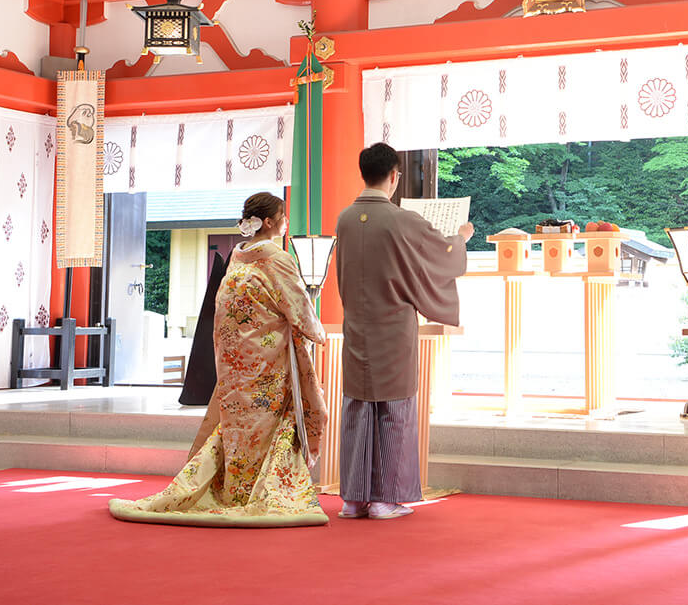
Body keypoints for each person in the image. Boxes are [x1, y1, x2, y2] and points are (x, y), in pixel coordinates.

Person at [109, 193, 329, 527]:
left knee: (239, 425)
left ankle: (233, 490)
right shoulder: (275, 257)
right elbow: (296, 304)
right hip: (267, 360)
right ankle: (261, 490)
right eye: (283, 217)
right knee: (267, 425)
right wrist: (318, 333)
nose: (285, 223)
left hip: (235, 358)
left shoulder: (237, 254)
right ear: (269, 222)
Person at [334, 142, 475, 519]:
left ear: (364, 173)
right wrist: (461, 237)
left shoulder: (345, 219)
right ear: (394, 176)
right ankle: (385, 498)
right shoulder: (401, 219)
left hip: (357, 326)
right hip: (393, 327)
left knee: (358, 409)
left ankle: (353, 498)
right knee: (394, 409)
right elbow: (442, 256)